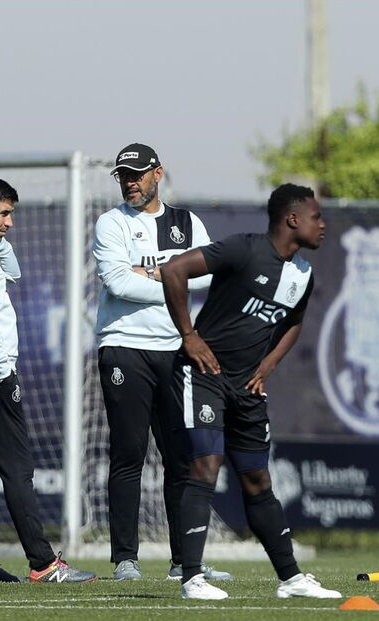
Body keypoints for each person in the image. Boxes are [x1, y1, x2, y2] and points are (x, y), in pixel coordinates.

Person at [161, 183, 341, 600]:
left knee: (258, 479)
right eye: (316, 217)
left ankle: (292, 579)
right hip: (202, 373)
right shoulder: (244, 249)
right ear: (292, 219)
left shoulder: (303, 274)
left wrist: (269, 364)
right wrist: (188, 335)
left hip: (247, 387)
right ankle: (191, 578)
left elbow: (294, 322)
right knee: (206, 465)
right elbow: (174, 270)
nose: (323, 225)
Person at [0, 176, 96, 585]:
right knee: (19, 469)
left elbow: (15, 271)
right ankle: (43, 564)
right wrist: (5, 372)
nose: (10, 222)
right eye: (4, 213)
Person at [94, 142, 231, 582]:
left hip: (175, 347)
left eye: (137, 174)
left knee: (180, 457)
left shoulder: (187, 222)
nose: (130, 182)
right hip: (124, 346)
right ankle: (125, 559)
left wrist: (151, 273)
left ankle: (183, 561)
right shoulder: (111, 223)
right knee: (128, 453)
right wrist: (174, 276)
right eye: (123, 176)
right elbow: (118, 284)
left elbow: (211, 273)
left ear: (158, 174)